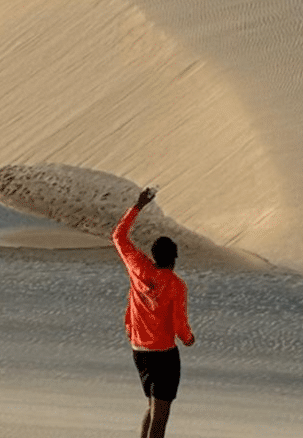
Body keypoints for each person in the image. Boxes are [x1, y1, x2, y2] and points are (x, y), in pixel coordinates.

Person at [111, 186, 195, 438]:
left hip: (139, 351)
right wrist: (188, 339)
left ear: (153, 255)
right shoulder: (176, 285)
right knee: (161, 415)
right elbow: (178, 322)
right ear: (174, 258)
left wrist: (138, 206)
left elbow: (118, 237)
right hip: (164, 355)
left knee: (152, 406)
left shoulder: (139, 268)